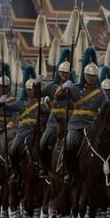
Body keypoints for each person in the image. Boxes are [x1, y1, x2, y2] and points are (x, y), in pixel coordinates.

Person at [56, 48, 107, 184]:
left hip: (92, 124)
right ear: (84, 74)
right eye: (89, 75)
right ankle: (69, 171)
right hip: (77, 124)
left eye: (94, 76)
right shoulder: (75, 88)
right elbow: (59, 98)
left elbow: (107, 107)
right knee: (70, 143)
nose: (91, 78)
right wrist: (63, 89)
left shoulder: (100, 93)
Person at [38, 49, 72, 180]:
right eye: (62, 72)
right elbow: (36, 94)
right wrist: (36, 84)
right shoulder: (51, 86)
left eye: (66, 72)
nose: (64, 74)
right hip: (54, 121)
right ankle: (44, 168)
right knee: (43, 143)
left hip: (69, 121)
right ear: (58, 72)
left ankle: (70, 169)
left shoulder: (73, 86)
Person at [6, 66, 43, 183]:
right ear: (26, 90)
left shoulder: (40, 103)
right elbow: (9, 107)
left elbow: (48, 111)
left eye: (33, 89)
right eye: (29, 89)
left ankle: (44, 169)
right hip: (23, 131)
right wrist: (2, 103)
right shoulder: (20, 103)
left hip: (36, 130)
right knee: (13, 149)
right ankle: (15, 172)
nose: (31, 91)